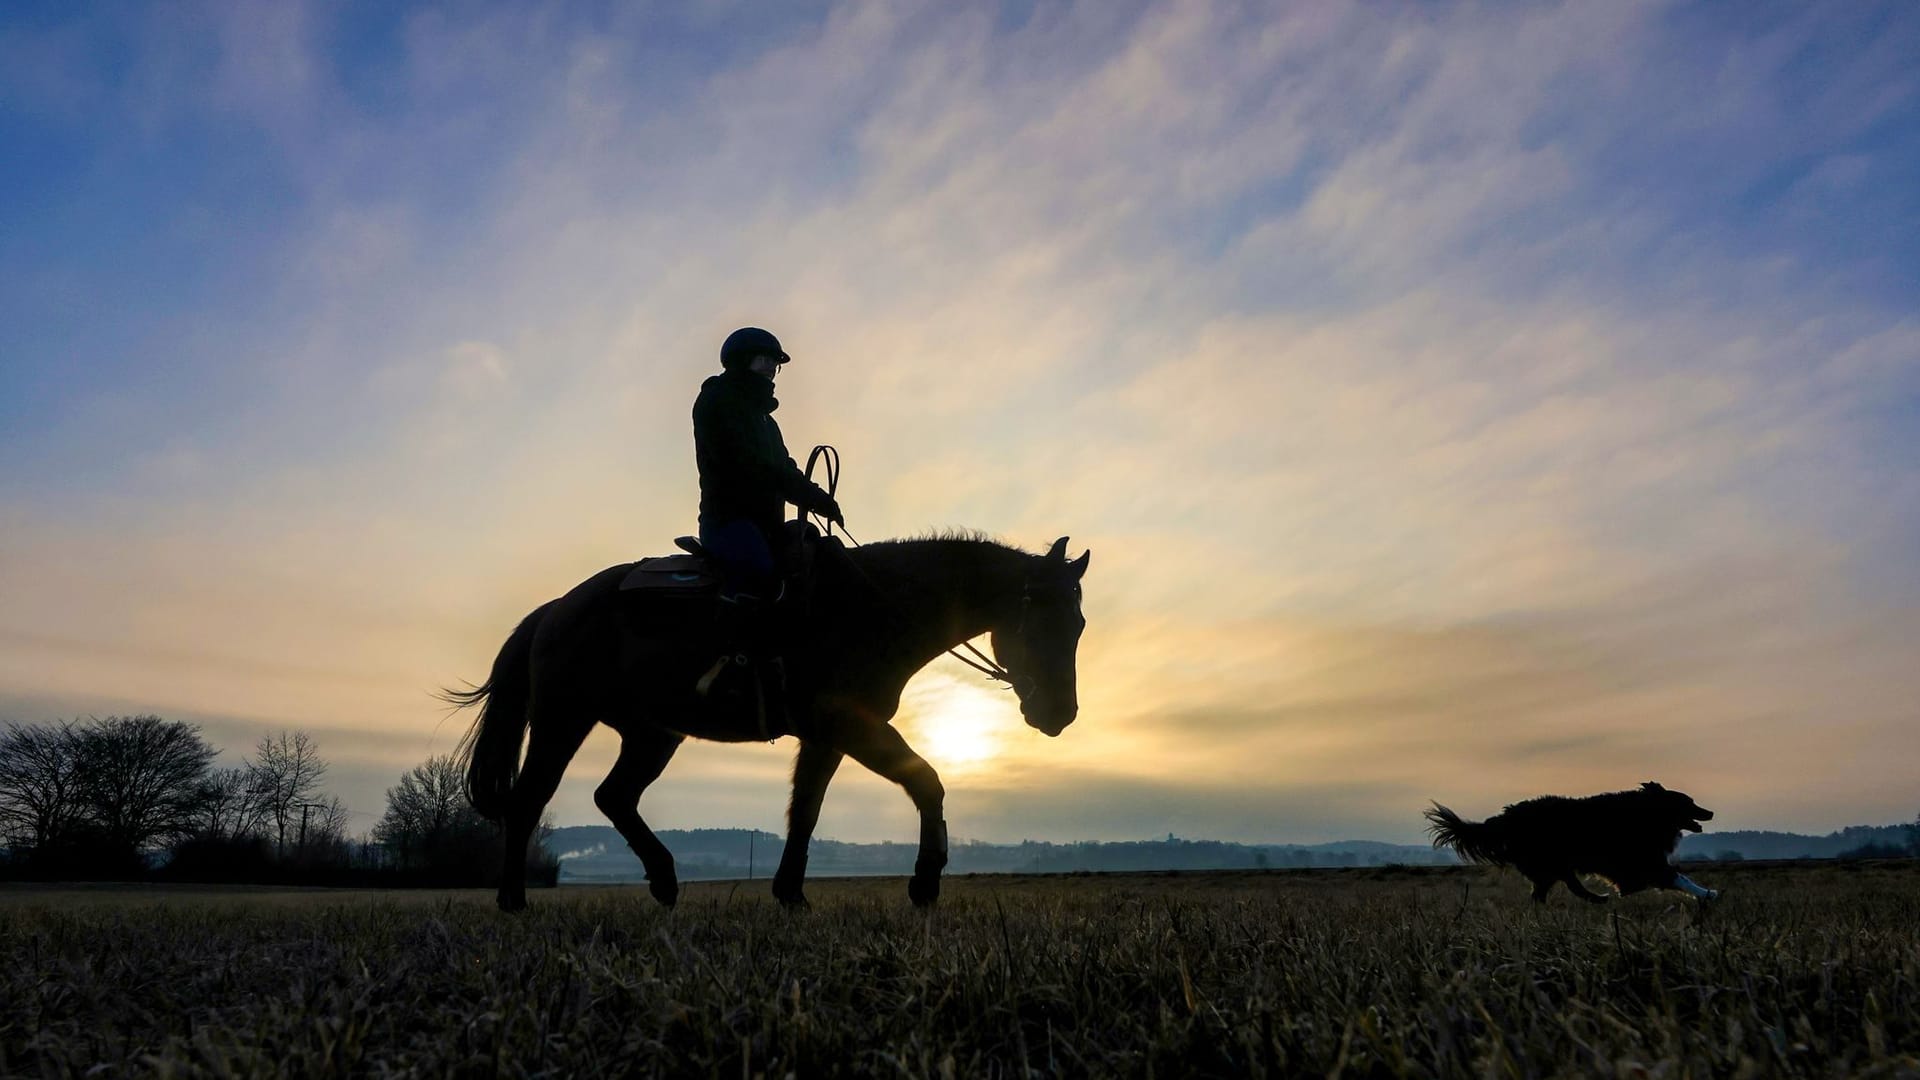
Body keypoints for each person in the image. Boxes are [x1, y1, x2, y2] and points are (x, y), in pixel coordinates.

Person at [691, 326, 842, 720]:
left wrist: (816, 497)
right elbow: (753, 466)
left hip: (769, 524)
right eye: (764, 362)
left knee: (819, 560)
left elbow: (783, 466)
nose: (770, 372)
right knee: (757, 571)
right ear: (742, 363)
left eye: (775, 366)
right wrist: (806, 494)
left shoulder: (765, 421)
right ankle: (728, 664)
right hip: (729, 522)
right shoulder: (717, 402)